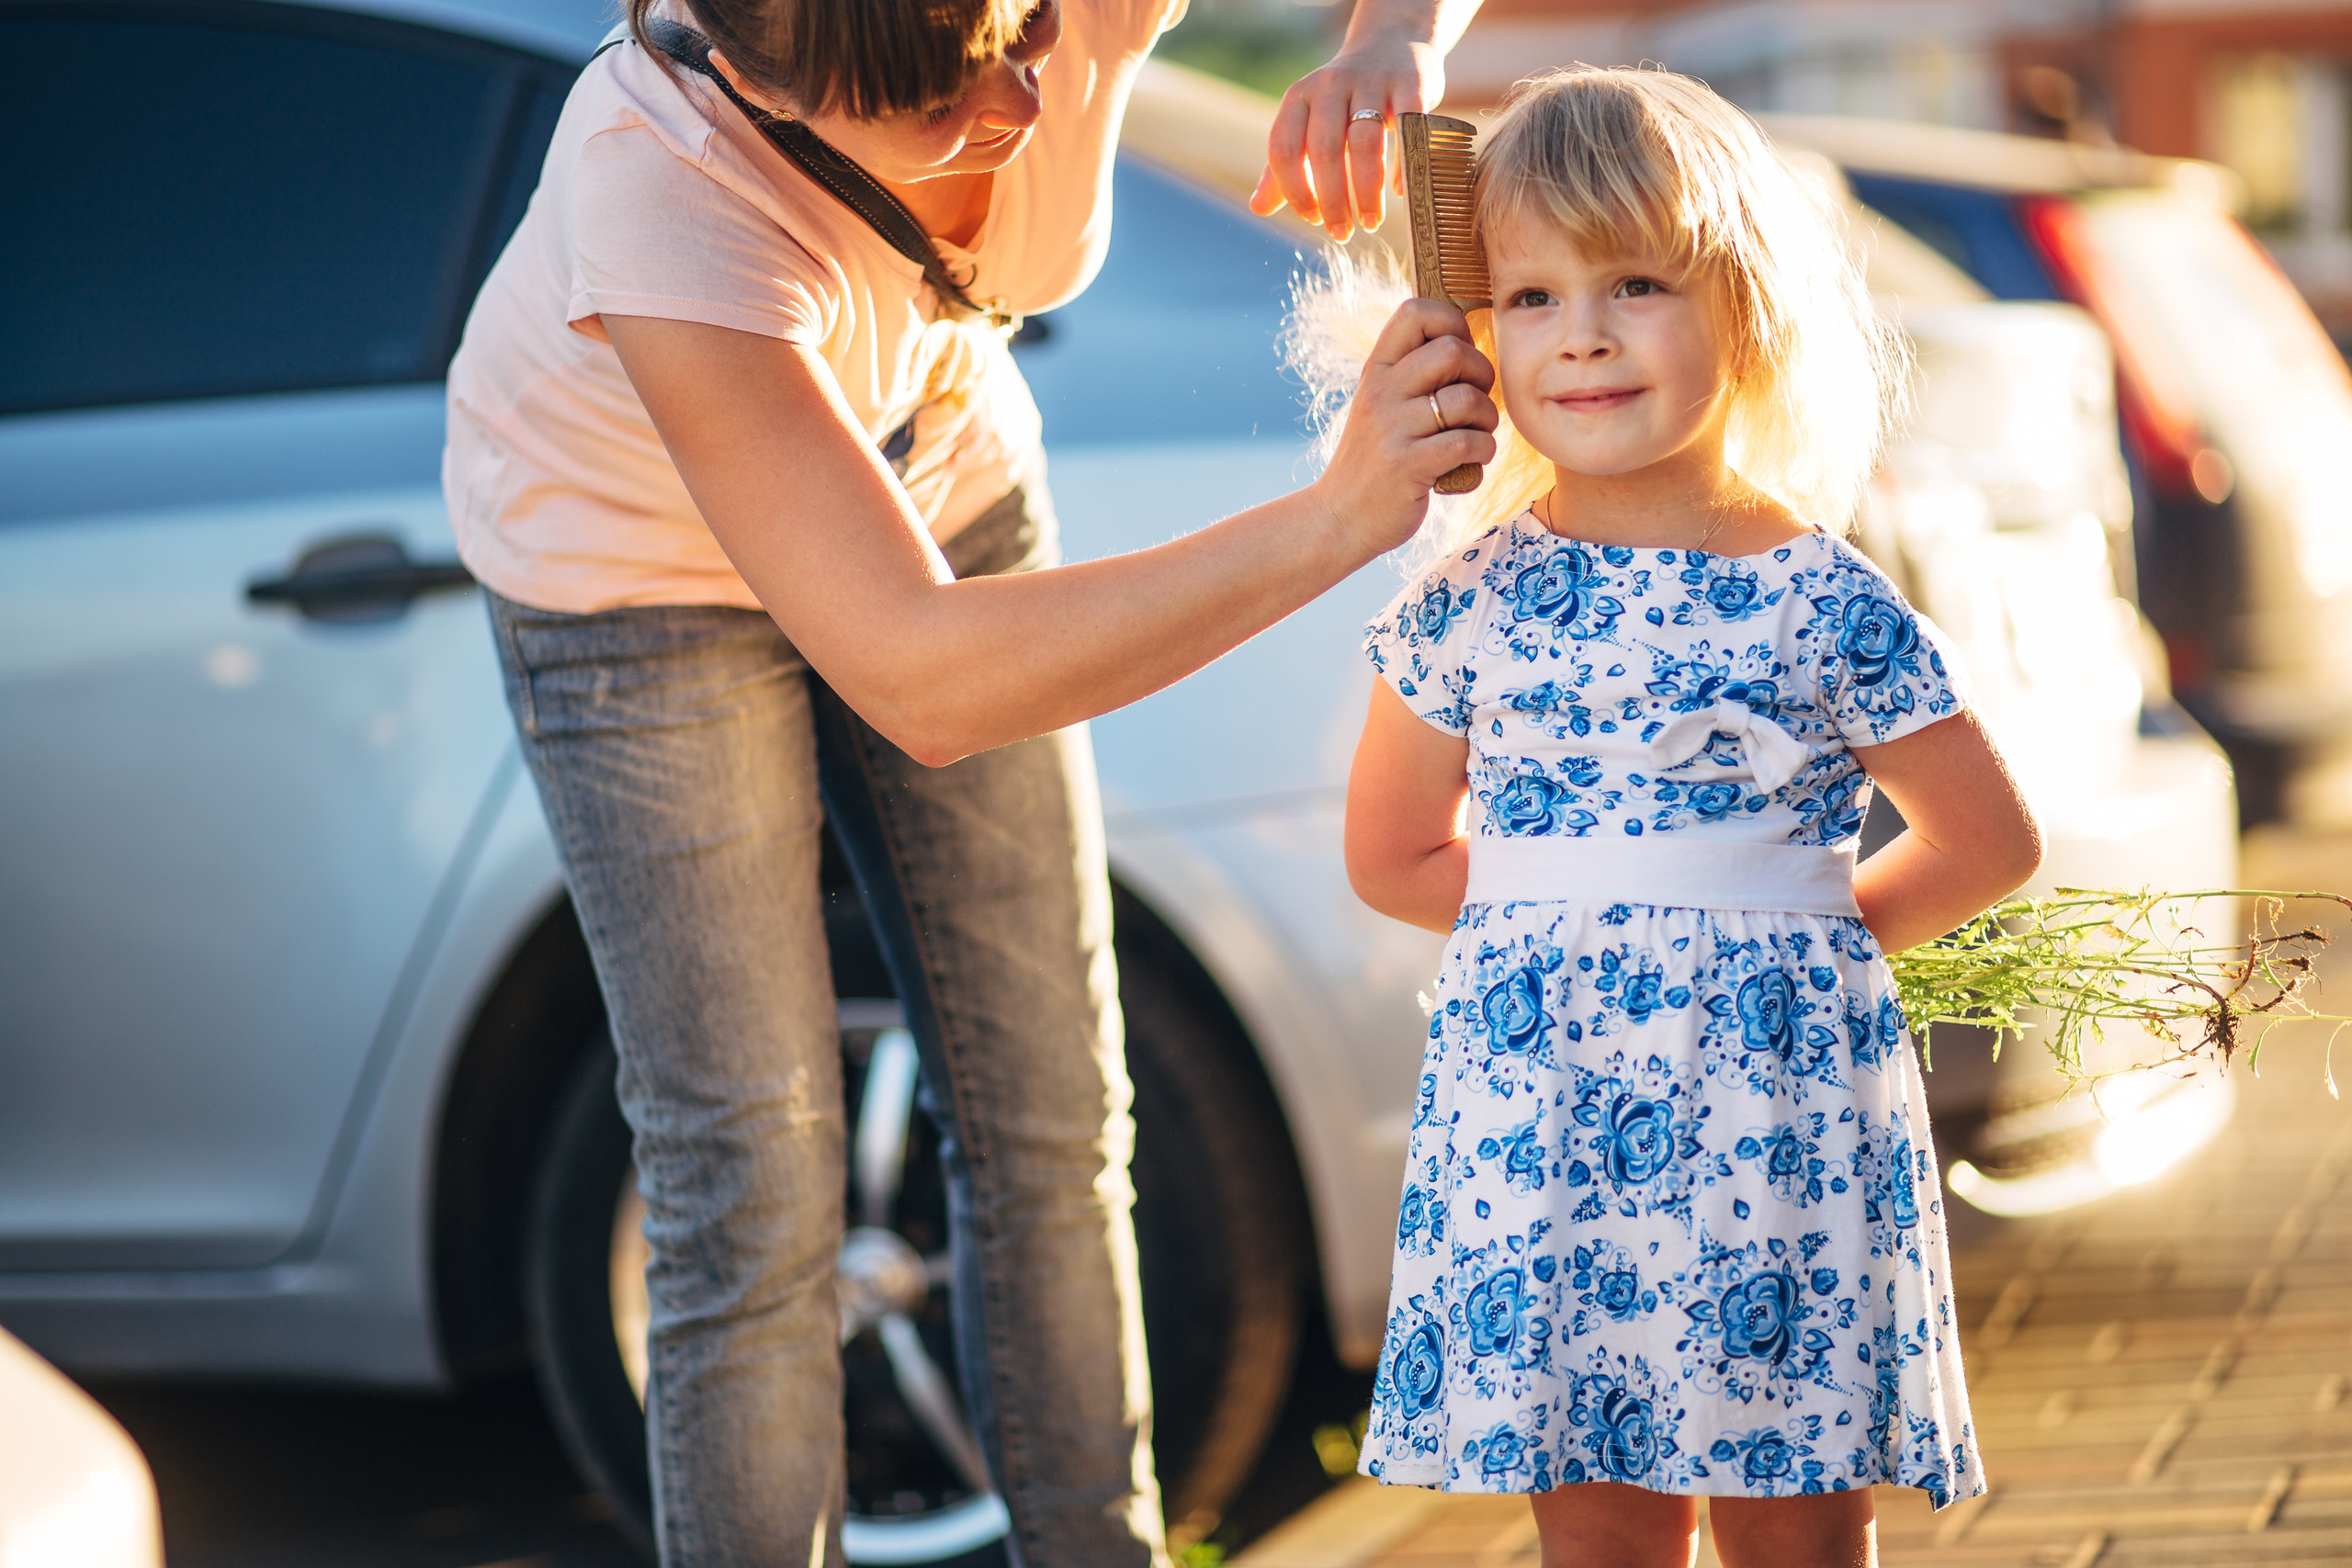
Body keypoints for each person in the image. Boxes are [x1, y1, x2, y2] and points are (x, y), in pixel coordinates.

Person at [443, 0, 1491, 1558]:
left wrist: (1394, 37)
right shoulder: (656, 178)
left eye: (1024, 33)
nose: (1019, 100)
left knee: (1057, 1117)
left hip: (943, 482)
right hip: (635, 591)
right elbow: (923, 678)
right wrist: (1336, 517)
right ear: (765, 84)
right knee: (751, 1187)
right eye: (944, 101)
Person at [1337, 68, 2042, 1567]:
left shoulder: (1823, 599)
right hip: (1549, 1118)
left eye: (1637, 284)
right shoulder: (1469, 602)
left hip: (1773, 1119)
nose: (1582, 333)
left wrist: (1790, 940)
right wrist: (1583, 919)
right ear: (1480, 334)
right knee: (1598, 1524)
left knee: (1797, 1525)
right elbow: (1390, 853)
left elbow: (1989, 841)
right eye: (1533, 296)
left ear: (1749, 309)